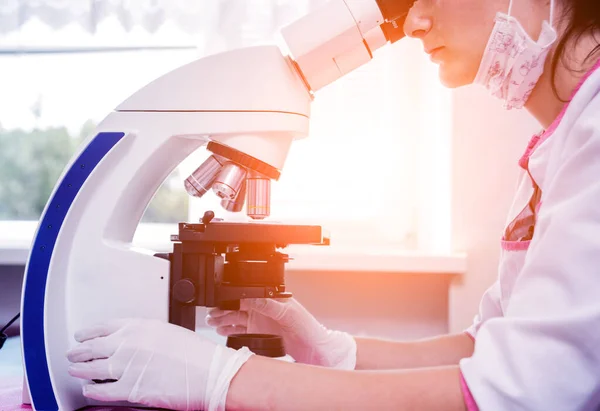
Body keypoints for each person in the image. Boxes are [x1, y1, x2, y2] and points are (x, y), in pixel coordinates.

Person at [66, 0, 600, 409]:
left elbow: (521, 388)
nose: (414, 25)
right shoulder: (558, 143)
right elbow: (483, 348)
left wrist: (222, 381)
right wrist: (336, 351)